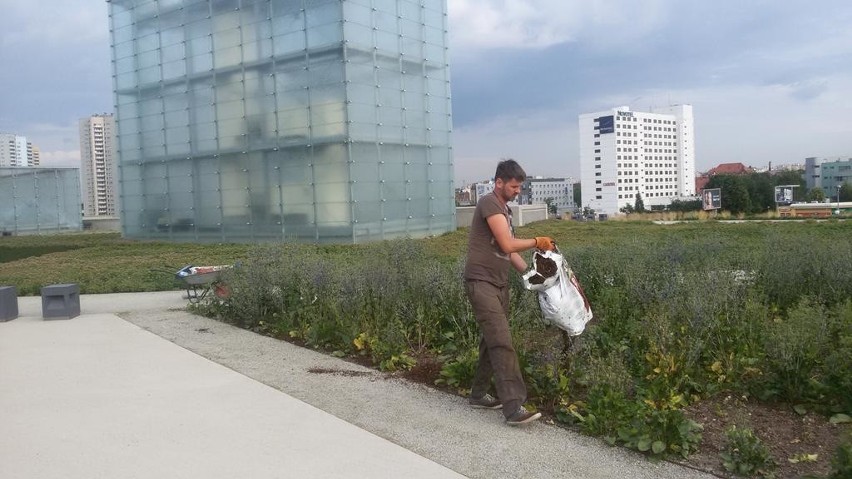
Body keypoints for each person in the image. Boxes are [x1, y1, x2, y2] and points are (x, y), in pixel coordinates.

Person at [463, 159, 556, 426]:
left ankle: (478, 394)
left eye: (520, 187)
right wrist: (537, 241)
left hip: (499, 283)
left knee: (490, 341)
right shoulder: (489, 203)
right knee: (502, 341)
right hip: (481, 282)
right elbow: (506, 242)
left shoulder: (506, 210)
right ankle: (514, 408)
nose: (518, 191)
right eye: (514, 186)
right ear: (499, 182)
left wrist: (530, 275)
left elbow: (508, 251)